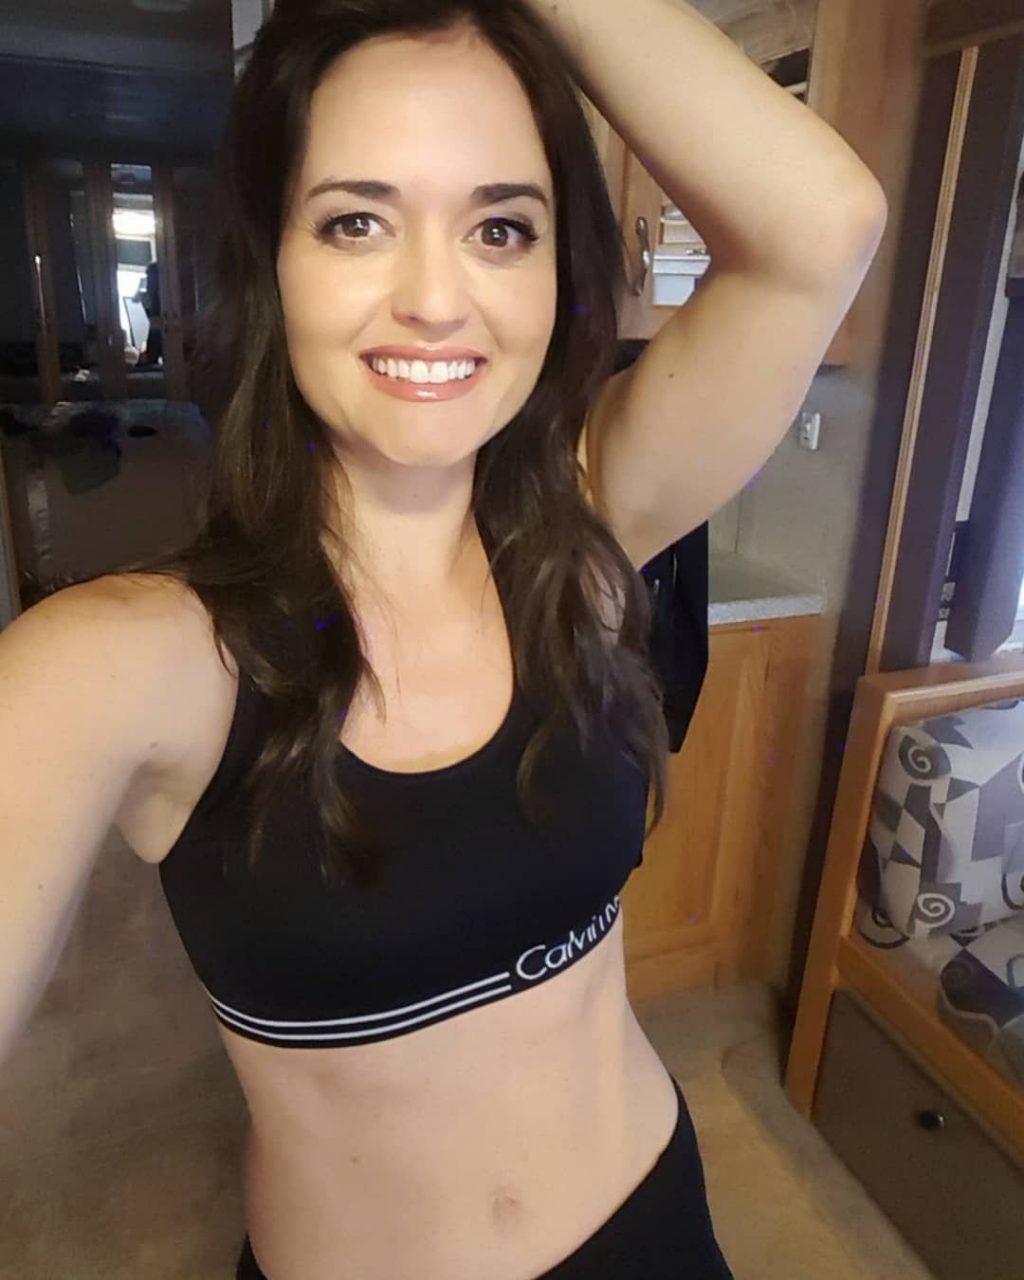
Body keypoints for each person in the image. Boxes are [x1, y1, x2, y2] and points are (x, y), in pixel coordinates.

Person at [0, 1, 885, 1277]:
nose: (432, 299)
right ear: (271, 260)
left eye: (499, 227)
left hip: (656, 1225)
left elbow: (823, 225)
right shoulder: (124, 658)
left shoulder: (588, 527)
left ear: (555, 272)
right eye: (356, 221)